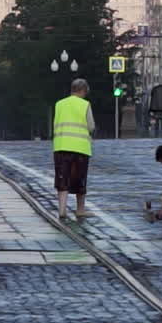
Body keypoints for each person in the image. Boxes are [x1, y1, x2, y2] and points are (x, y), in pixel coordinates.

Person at [53, 78, 96, 220]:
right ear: (83, 90)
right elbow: (91, 126)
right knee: (80, 179)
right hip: (80, 148)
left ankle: (62, 210)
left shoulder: (59, 104)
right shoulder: (85, 104)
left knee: (62, 179)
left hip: (61, 146)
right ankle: (80, 210)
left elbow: (55, 124)